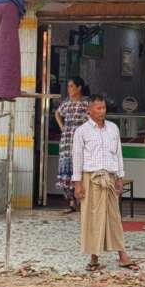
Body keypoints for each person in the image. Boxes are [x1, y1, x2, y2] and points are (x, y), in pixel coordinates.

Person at [72, 94, 138, 272]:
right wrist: (77, 183)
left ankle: (122, 255)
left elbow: (118, 154)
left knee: (114, 217)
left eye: (104, 108)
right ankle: (94, 258)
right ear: (89, 110)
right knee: (93, 219)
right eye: (98, 108)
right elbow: (77, 158)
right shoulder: (82, 131)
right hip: (91, 179)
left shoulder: (113, 129)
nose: (102, 111)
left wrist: (120, 177)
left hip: (109, 178)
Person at [55, 76, 90, 212]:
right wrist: (62, 127)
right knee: (66, 168)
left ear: (79, 88)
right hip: (67, 140)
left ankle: (81, 199)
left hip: (81, 140)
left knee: (80, 167)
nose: (69, 89)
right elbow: (57, 113)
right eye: (68, 86)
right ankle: (71, 200)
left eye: (71, 86)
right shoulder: (67, 103)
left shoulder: (86, 103)